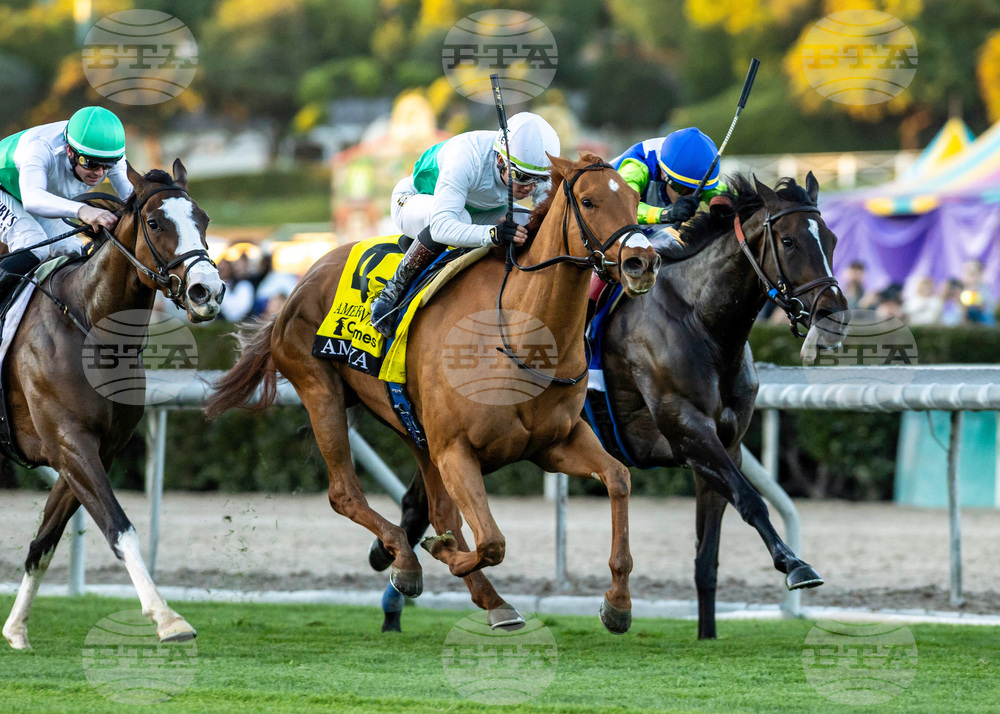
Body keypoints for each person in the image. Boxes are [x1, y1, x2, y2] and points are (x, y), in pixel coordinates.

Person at [370, 112, 560, 337]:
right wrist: (493, 235)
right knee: (460, 219)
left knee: (526, 223)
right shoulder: (466, 156)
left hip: (479, 210)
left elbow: (547, 220)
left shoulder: (530, 164)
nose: (530, 187)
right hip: (416, 201)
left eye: (539, 179)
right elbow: (441, 226)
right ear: (501, 160)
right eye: (522, 177)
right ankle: (391, 292)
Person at [0, 106, 131, 305]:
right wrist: (83, 210)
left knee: (74, 250)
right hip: (11, 190)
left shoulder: (107, 153)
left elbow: (133, 198)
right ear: (69, 151)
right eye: (91, 164)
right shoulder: (41, 148)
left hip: (32, 192)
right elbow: (32, 199)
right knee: (34, 243)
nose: (99, 173)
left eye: (107, 166)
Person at [610, 127, 727, 252]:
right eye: (683, 189)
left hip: (645, 234)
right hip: (608, 232)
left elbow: (727, 197)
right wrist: (666, 214)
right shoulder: (635, 168)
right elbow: (623, 208)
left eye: (699, 190)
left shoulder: (694, 176)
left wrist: (727, 207)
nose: (689, 196)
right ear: (663, 173)